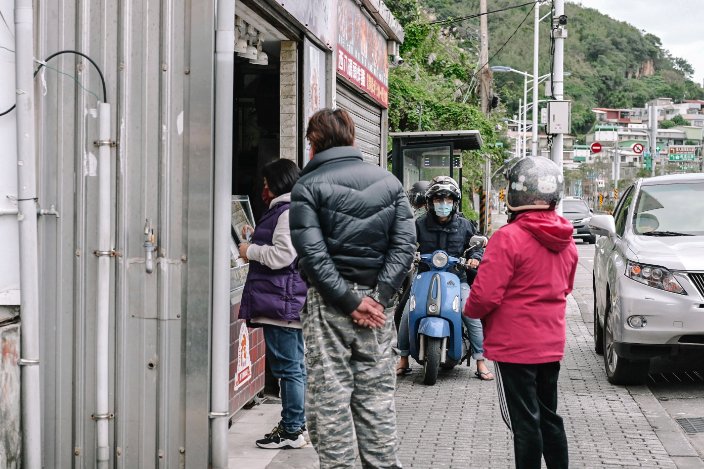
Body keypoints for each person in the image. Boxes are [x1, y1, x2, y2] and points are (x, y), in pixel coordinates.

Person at [289, 108, 416, 469]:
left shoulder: (307, 187)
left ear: (313, 143)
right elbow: (404, 245)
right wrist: (378, 298)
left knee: (330, 402)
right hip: (378, 310)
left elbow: (312, 254)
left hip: (330, 308)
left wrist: (349, 301)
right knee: (376, 399)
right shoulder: (388, 182)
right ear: (352, 138)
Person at [464, 156, 578, 469]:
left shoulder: (507, 238)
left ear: (513, 196)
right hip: (550, 343)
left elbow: (484, 296)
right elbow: (565, 288)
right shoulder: (567, 240)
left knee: (525, 422)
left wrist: (470, 309)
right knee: (549, 417)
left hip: (515, 347)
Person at [237, 158, 309, 450]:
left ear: (278, 184)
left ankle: (292, 430)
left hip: (281, 303)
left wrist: (249, 250)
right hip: (285, 301)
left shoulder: (287, 211)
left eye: (266, 184)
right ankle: (296, 424)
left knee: (289, 368)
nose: (263, 190)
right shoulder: (289, 209)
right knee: (294, 366)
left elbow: (282, 256)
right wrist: (254, 238)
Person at [395, 176, 493, 380]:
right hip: (424, 278)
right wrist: (406, 254)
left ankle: (480, 361)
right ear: (430, 202)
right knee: (405, 314)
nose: (443, 204)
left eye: (448, 200)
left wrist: (474, 258)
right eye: (439, 200)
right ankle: (403, 358)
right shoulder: (419, 225)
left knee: (471, 314)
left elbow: (476, 248)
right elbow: (406, 244)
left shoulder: (465, 225)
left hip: (457, 279)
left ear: (454, 202)